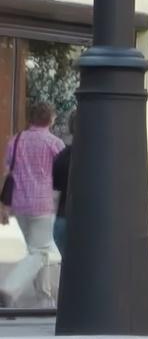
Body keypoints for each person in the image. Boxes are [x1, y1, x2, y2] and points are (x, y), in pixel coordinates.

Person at [0, 102, 64, 307]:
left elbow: (7, 172)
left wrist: (4, 206)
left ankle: (45, 300)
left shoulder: (16, 140)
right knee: (41, 252)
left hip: (20, 204)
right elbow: (63, 171)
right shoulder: (55, 143)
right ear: (50, 120)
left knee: (36, 250)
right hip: (43, 204)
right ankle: (9, 288)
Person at [51, 111, 76, 259]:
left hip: (63, 218)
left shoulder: (62, 156)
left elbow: (55, 194)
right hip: (91, 221)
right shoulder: (102, 156)